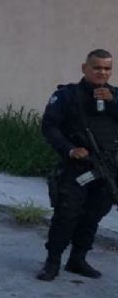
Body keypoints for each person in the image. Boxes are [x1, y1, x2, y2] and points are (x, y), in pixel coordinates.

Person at [38, 49, 116, 281]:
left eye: (107, 68)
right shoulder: (67, 96)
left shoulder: (115, 97)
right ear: (85, 68)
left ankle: (78, 259)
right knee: (66, 214)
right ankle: (52, 262)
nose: (102, 72)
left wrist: (112, 104)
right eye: (97, 67)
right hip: (77, 168)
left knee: (93, 216)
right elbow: (50, 127)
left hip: (107, 171)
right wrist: (70, 149)